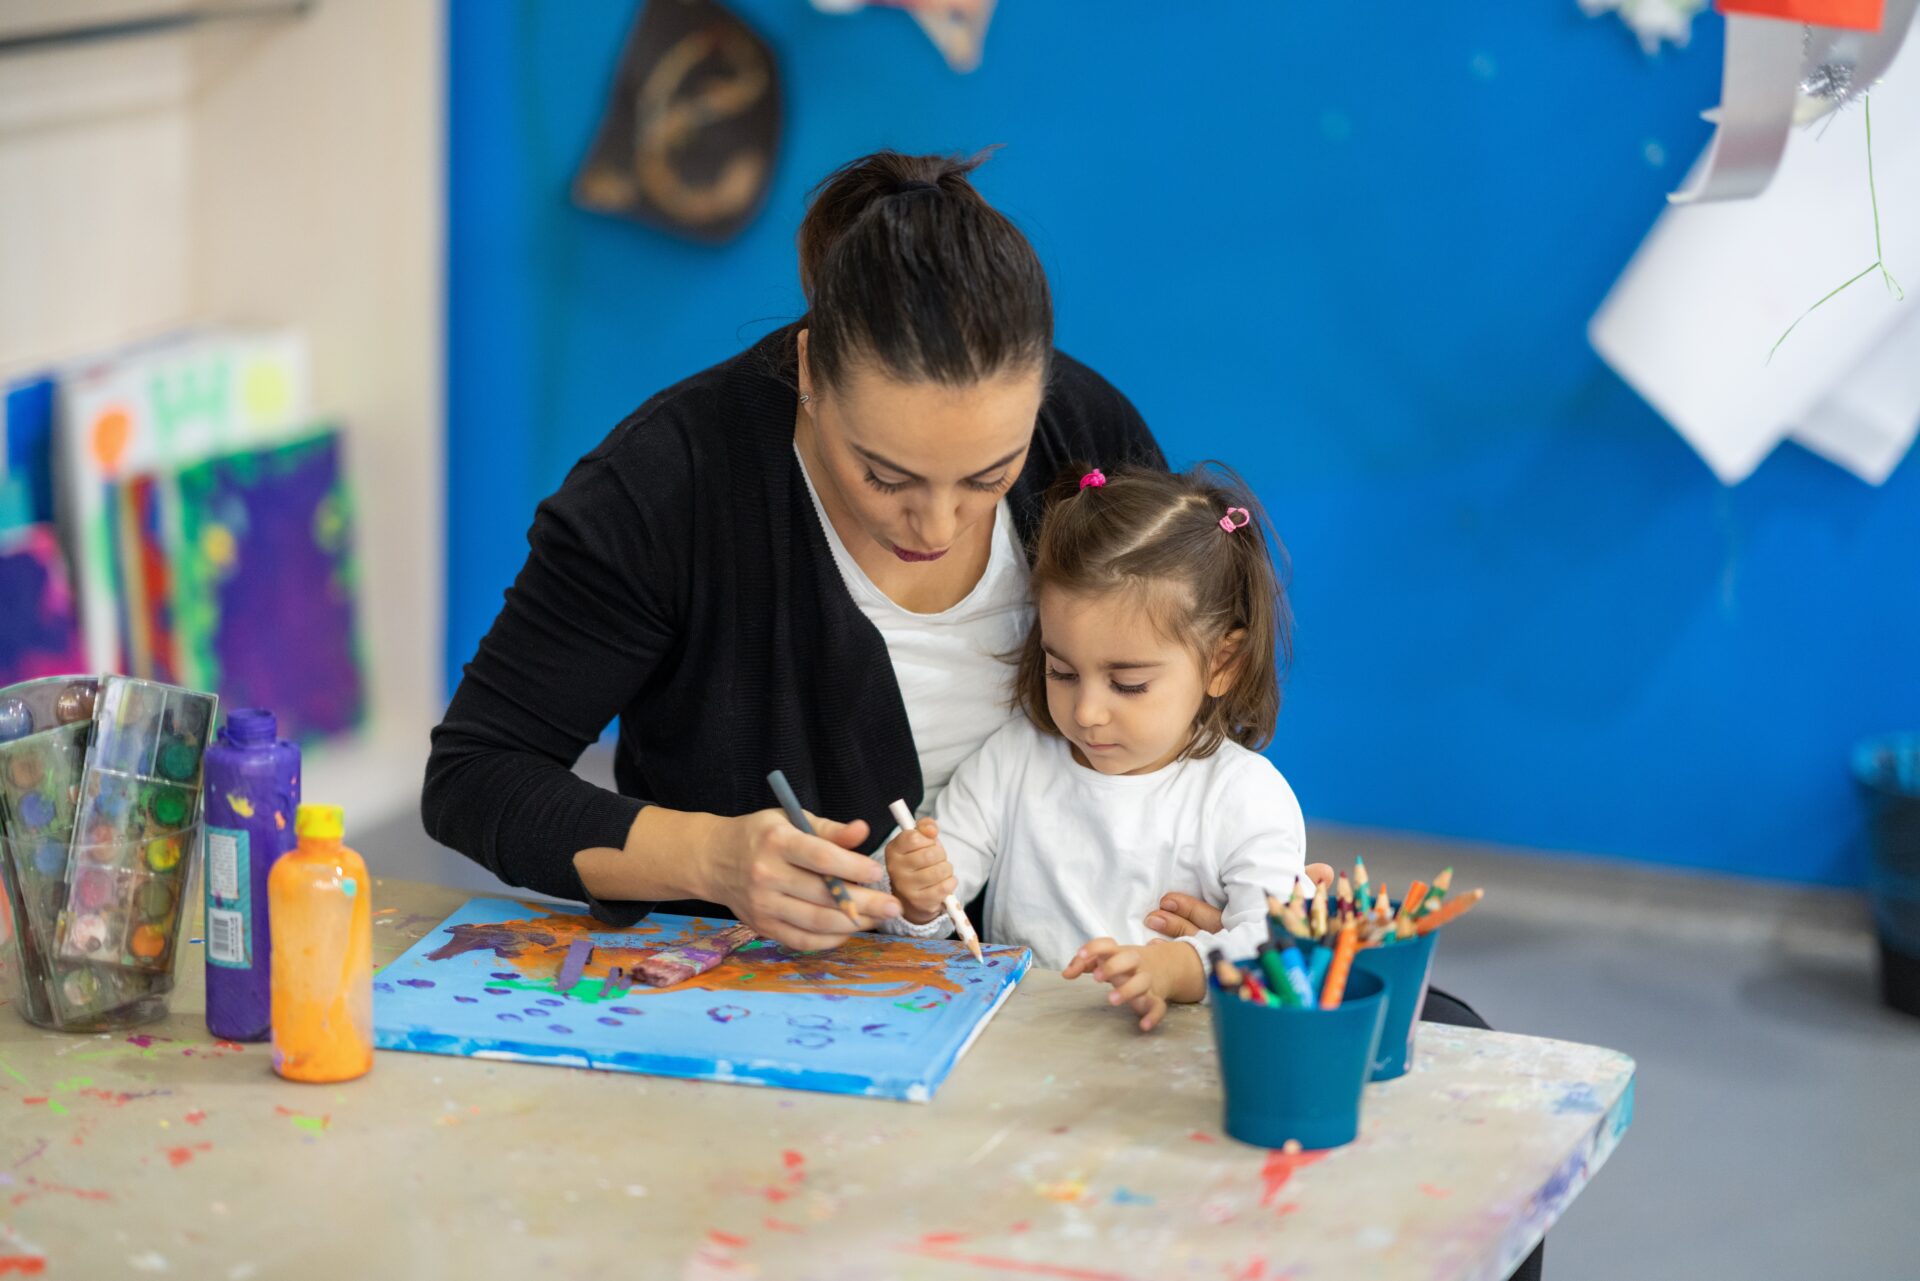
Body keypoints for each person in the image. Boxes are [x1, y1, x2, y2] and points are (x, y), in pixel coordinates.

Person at [422, 149, 1166, 949]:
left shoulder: (1082, 438)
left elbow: (1192, 680)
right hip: (772, 1003)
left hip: (1079, 978)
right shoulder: (664, 488)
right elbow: (476, 775)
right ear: (811, 369)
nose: (940, 527)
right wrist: (710, 858)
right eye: (886, 478)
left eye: (989, 475)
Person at [881, 465, 1304, 1031]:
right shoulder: (1013, 760)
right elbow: (933, 911)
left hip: (1170, 1063)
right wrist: (916, 897)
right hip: (1021, 1049)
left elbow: (1274, 945)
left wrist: (1171, 969)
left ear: (1221, 663)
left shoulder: (1246, 796)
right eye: (1062, 671)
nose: (1086, 712)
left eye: (1128, 684)